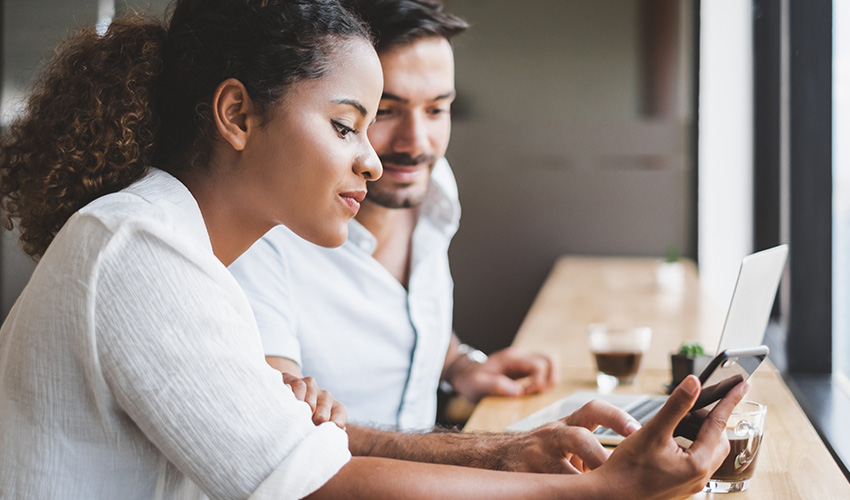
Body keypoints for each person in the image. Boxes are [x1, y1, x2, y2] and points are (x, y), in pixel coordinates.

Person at [0, 1, 747, 499]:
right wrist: (594, 492)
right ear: (237, 114)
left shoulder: (186, 255)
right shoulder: (140, 249)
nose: (373, 159)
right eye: (348, 123)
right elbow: (316, 484)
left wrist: (514, 451)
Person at [229, 0, 557, 431]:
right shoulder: (264, 239)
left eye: (437, 110)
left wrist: (460, 366)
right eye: (385, 110)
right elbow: (285, 433)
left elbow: (408, 314)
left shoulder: (433, 185)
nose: (416, 142)